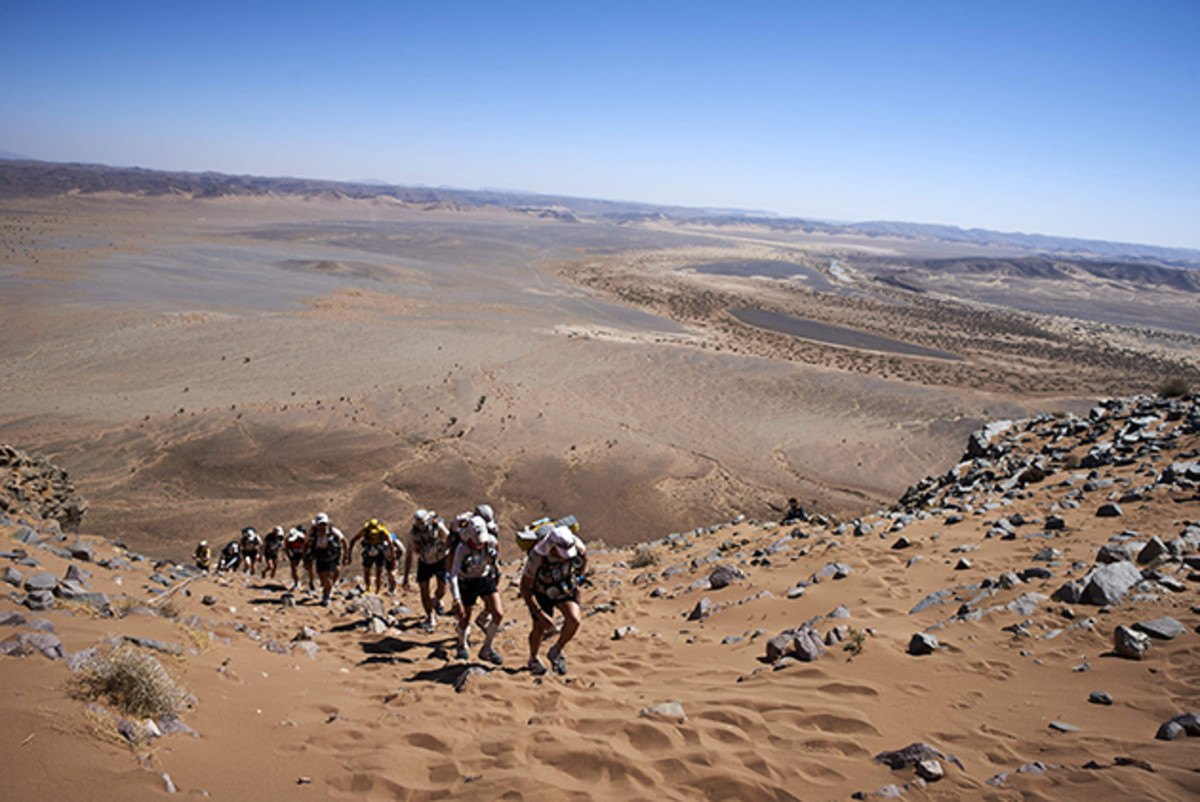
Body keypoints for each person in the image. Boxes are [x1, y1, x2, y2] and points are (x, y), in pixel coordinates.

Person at [520, 525, 587, 675]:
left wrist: (579, 580)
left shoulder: (575, 545)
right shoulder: (537, 556)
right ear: (552, 546)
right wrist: (538, 612)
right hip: (541, 592)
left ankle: (556, 650)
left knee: (574, 620)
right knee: (539, 627)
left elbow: (584, 556)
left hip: (563, 586)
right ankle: (533, 659)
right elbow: (525, 587)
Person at [448, 515, 504, 664]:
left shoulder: (490, 542)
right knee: (464, 619)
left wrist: (496, 571)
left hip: (484, 578)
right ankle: (462, 644)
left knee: (498, 614)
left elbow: (495, 559)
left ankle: (487, 648)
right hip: (466, 582)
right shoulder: (462, 548)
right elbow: (453, 574)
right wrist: (457, 599)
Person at [404, 509, 450, 631]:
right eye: (419, 523)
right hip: (424, 562)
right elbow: (409, 555)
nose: (421, 526)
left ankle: (437, 600)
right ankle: (430, 616)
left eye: (423, 523)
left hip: (440, 560)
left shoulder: (438, 527)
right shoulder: (412, 535)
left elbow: (450, 540)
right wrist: (406, 577)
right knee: (424, 589)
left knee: (442, 588)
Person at [307, 513, 347, 607]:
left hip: (332, 556)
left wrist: (346, 554)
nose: (322, 526)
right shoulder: (312, 533)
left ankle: (327, 595)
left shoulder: (333, 531)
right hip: (319, 556)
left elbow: (344, 540)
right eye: (320, 524)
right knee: (322, 577)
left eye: (324, 524)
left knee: (329, 578)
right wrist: (306, 558)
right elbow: (306, 544)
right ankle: (326, 589)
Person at [346, 518, 393, 595]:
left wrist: (349, 553)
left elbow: (354, 540)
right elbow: (389, 542)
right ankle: (372, 589)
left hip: (377, 552)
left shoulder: (379, 531)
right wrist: (392, 553)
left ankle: (375, 589)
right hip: (372, 552)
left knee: (374, 571)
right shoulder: (370, 531)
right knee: (373, 571)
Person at [284, 526, 309, 591]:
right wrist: (290, 557)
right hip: (296, 554)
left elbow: (310, 547)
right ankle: (297, 583)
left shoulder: (304, 539)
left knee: (309, 567)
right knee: (294, 568)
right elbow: (286, 548)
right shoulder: (289, 539)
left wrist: (307, 559)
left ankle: (310, 582)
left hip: (305, 553)